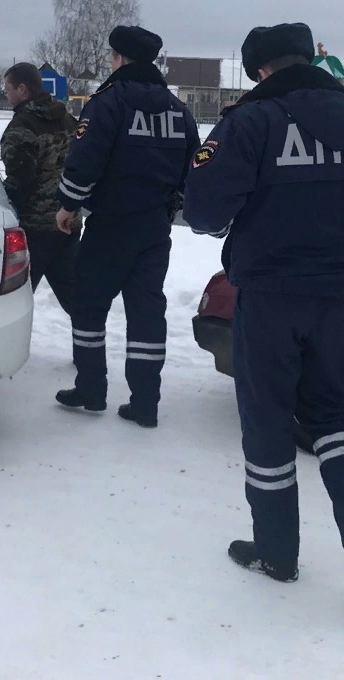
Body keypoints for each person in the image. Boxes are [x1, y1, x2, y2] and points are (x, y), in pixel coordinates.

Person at [183, 22, 344, 601]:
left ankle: (276, 553)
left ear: (261, 70)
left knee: (267, 421)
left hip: (268, 296)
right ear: (309, 58)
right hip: (337, 298)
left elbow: (204, 212)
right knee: (336, 419)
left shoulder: (251, 121)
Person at [53, 26, 199, 428]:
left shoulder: (108, 102)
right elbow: (194, 170)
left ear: (118, 58)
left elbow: (85, 160)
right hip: (155, 229)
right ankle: (145, 403)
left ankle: (91, 389)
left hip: (111, 225)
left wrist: (68, 206)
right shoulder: (177, 110)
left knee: (89, 306)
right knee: (147, 312)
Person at [0, 62, 79, 313]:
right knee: (76, 300)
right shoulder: (68, 120)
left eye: (8, 89)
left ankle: (9, 350)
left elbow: (19, 179)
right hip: (68, 222)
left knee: (14, 301)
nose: (7, 95)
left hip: (34, 229)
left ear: (22, 89)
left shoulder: (22, 127)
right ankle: (89, 347)